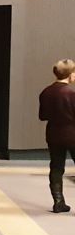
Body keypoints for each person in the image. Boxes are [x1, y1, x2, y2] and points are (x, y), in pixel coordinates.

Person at [39, 59, 75, 213]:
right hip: (72, 134)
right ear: (70, 75)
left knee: (56, 167)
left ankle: (58, 202)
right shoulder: (72, 94)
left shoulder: (46, 92)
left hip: (53, 134)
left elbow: (42, 116)